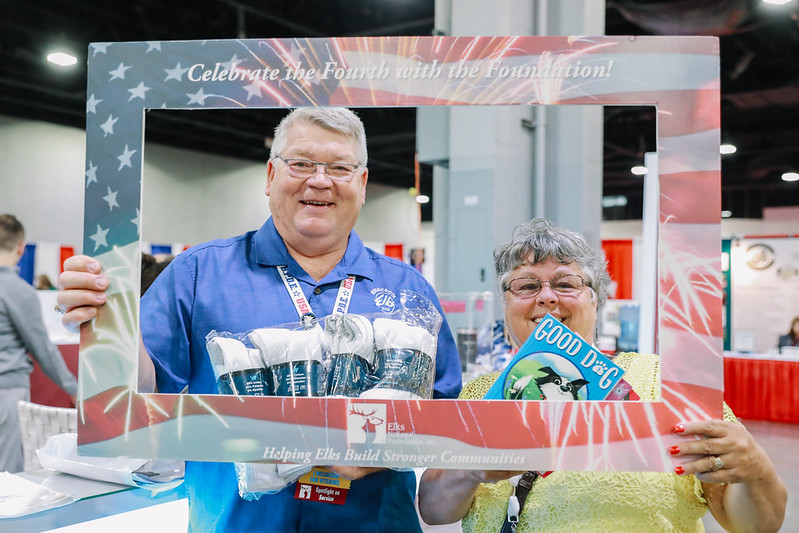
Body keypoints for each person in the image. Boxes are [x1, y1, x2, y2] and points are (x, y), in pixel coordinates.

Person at [57, 107, 462, 532]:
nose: (319, 180)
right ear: (270, 176)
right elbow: (141, 393)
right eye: (301, 163)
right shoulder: (198, 274)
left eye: (339, 167)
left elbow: (442, 427)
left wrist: (382, 449)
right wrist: (107, 320)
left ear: (361, 185)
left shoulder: (408, 290)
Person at [418, 218, 787, 533]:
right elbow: (434, 511)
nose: (546, 297)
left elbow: (753, 522)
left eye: (565, 284)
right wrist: (469, 471)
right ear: (506, 304)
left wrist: (755, 470)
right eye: (527, 285)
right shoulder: (480, 394)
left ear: (596, 300)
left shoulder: (660, 380)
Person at [0, 214, 77, 472]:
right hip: (6, 391)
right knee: (5, 476)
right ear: (21, 247)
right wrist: (74, 389)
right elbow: (42, 348)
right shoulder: (17, 291)